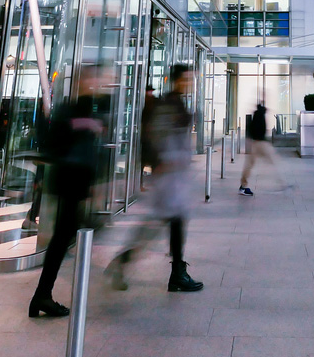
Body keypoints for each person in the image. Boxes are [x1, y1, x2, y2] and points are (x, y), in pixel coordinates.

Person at [106, 64, 204, 293]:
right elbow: (160, 137)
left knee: (171, 222)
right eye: (187, 79)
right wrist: (166, 162)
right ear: (177, 80)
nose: (190, 83)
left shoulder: (176, 102)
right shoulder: (169, 104)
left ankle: (174, 272)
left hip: (173, 175)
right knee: (159, 225)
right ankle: (128, 264)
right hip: (168, 176)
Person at [29, 67, 107, 318]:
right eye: (93, 78)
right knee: (63, 238)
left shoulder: (90, 106)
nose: (97, 83)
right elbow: (55, 143)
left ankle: (43, 294)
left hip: (77, 183)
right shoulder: (69, 109)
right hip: (69, 182)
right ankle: (42, 295)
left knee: (65, 237)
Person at [239, 101, 273, 196]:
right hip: (258, 143)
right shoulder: (260, 115)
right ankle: (243, 186)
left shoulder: (258, 114)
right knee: (271, 160)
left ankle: (243, 185)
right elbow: (259, 129)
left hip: (257, 142)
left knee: (250, 164)